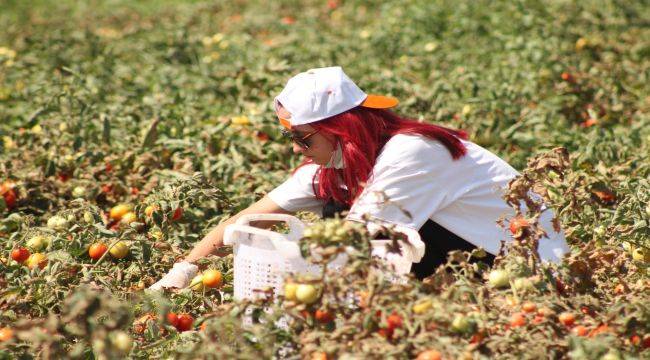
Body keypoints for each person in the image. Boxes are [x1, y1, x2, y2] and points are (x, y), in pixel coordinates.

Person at [150, 66, 569, 290]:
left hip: (523, 271)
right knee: (336, 210)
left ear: (342, 129)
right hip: (463, 254)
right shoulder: (333, 165)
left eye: (301, 137)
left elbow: (357, 247)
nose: (295, 148)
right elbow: (246, 221)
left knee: (349, 234)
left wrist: (289, 289)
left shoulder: (412, 153)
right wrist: (181, 273)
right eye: (289, 137)